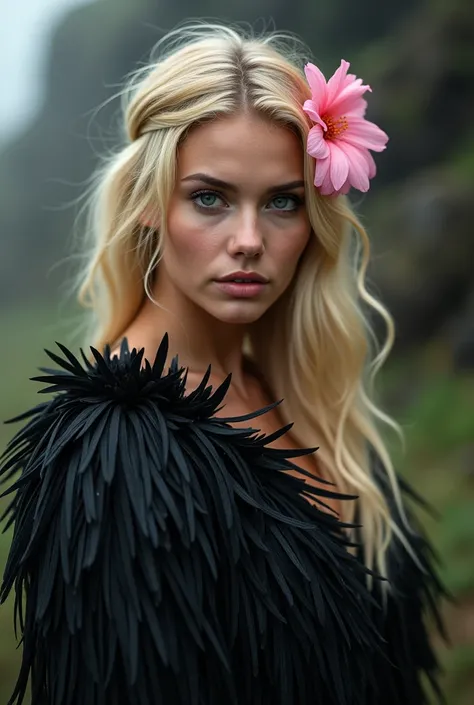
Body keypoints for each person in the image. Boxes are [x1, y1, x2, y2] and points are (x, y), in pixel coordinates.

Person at [0, 22, 445, 705]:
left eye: (282, 201)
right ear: (150, 203)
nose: (248, 240)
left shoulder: (303, 397)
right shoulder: (118, 450)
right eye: (209, 197)